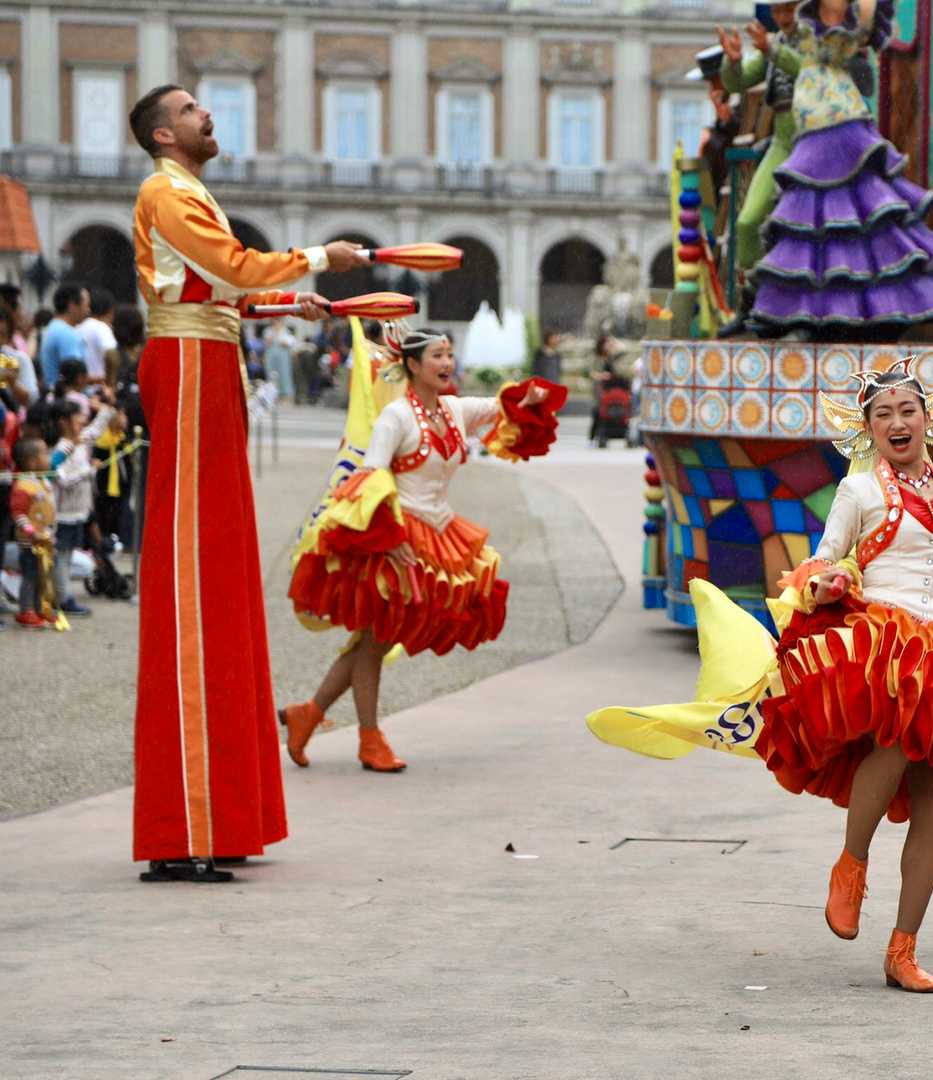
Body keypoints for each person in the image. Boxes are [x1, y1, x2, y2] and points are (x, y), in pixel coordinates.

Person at [588, 358, 933, 992]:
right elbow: (823, 560)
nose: (897, 422)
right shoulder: (860, 493)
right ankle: (851, 865)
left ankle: (903, 950)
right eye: (883, 414)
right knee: (898, 738)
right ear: (869, 429)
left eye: (907, 410)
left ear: (928, 419)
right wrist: (827, 580)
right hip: (884, 643)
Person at [127, 83, 368, 884]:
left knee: (221, 584)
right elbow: (228, 270)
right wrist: (317, 258)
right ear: (164, 134)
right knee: (194, 586)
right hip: (190, 370)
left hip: (209, 362)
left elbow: (221, 292)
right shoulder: (166, 193)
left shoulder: (190, 193)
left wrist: (291, 302)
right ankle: (183, 824)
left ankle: (220, 813)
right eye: (190, 109)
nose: (207, 115)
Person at [282, 328, 565, 772]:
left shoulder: (453, 409)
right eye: (437, 355)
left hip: (438, 535)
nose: (447, 363)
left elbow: (499, 407)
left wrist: (528, 398)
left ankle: (310, 714)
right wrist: (388, 539)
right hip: (396, 540)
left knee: (373, 641)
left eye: (449, 354)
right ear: (413, 365)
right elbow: (371, 476)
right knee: (375, 641)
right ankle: (369, 739)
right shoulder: (395, 417)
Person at [748, 0, 933, 338]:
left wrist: (855, 15)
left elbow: (837, 48)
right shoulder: (808, 26)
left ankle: (874, 311)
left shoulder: (845, 28)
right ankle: (821, 314)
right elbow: (801, 62)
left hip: (838, 124)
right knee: (826, 221)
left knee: (851, 216)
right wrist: (768, 50)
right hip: (814, 126)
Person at [715, 2, 802, 335]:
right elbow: (739, 81)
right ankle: (751, 305)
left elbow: (812, 69)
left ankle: (803, 313)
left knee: (804, 228)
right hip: (783, 140)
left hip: (817, 138)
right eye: (778, 11)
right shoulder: (774, 42)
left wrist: (772, 49)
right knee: (748, 221)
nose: (783, 17)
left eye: (789, 9)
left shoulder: (817, 37)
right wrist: (733, 61)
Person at [47, 395, 114, 619]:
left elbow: (96, 429)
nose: (83, 423)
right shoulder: (62, 448)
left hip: (78, 512)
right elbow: (62, 479)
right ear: (64, 422)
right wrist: (89, 470)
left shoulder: (80, 440)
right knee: (62, 556)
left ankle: (61, 596)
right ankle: (63, 599)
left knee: (66, 555)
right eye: (78, 419)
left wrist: (107, 407)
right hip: (63, 514)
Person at [8, 437, 56, 628]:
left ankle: (40, 608)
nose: (49, 457)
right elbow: (18, 513)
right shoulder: (23, 485)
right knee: (30, 576)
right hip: (30, 543)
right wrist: (31, 532)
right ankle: (26, 610)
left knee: (42, 576)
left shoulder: (42, 480)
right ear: (31, 461)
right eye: (45, 453)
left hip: (45, 540)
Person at [39, 284, 89, 391]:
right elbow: (74, 376)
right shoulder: (66, 333)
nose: (88, 311)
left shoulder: (53, 327)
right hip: (68, 397)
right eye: (86, 306)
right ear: (72, 306)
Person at [75, 288, 118, 386]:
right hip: (99, 386)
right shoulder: (102, 327)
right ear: (110, 311)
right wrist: (111, 379)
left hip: (80, 386)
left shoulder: (77, 327)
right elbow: (111, 355)